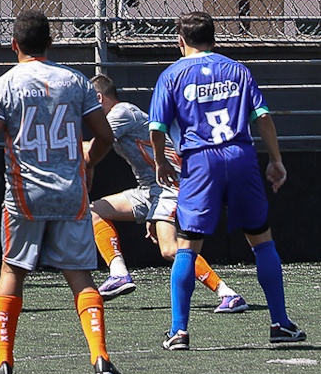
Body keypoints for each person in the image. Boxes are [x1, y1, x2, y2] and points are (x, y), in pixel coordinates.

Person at [0, 10, 124, 374]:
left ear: (13, 44)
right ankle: (101, 358)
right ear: (50, 42)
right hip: (70, 195)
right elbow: (105, 136)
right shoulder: (76, 81)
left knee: (12, 271)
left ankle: (4, 362)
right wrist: (87, 163)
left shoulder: (1, 87)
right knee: (80, 277)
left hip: (24, 195)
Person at [148, 11, 305, 350]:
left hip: (200, 161)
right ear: (215, 40)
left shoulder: (171, 75)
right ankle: (280, 323)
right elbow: (263, 117)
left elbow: (157, 128)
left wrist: (160, 162)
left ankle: (179, 331)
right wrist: (276, 159)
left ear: (180, 41)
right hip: (240, 156)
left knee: (187, 246)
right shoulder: (237, 70)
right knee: (262, 241)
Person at [84, 74, 246, 312]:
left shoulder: (121, 112)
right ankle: (119, 274)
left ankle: (227, 293)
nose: (84, 110)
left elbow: (91, 149)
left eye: (87, 102)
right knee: (94, 211)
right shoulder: (116, 117)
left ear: (99, 98)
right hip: (151, 190)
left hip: (170, 186)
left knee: (169, 249)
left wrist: (53, 145)